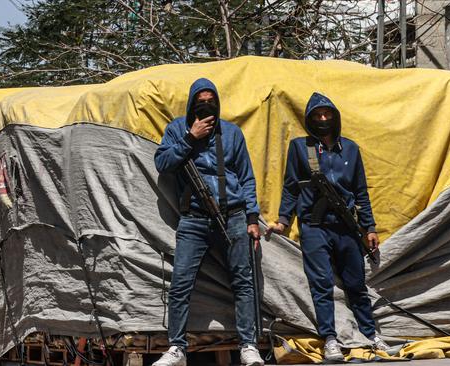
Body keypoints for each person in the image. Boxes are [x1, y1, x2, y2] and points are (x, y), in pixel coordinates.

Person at [266, 92, 389, 361]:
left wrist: (369, 227)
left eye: (327, 115)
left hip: (346, 227)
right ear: (310, 120)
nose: (323, 119)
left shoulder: (351, 149)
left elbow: (360, 192)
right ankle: (330, 339)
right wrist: (284, 221)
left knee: (356, 284)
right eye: (317, 116)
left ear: (335, 117)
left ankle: (371, 335)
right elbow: (291, 188)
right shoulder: (301, 148)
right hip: (314, 227)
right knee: (321, 285)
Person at [153, 78, 264, 366]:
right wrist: (191, 137)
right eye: (200, 101)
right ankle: (177, 347)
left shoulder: (232, 133)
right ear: (192, 104)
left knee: (243, 282)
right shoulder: (178, 129)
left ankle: (248, 345)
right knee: (180, 284)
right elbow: (162, 163)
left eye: (210, 100)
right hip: (193, 219)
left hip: (234, 217)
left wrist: (253, 218)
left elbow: (246, 177)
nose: (206, 105)